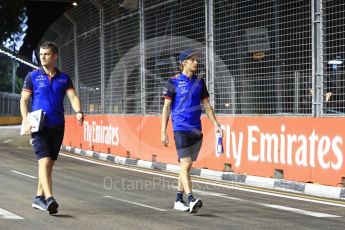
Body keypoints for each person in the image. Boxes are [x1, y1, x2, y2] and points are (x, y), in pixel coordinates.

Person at [20, 41, 84, 214]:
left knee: (49, 164)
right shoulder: (32, 76)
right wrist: (25, 121)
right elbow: (24, 100)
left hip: (58, 126)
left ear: (55, 56)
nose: (42, 57)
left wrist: (78, 111)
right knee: (44, 161)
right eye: (41, 54)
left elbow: (73, 96)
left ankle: (38, 198)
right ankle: (49, 199)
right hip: (39, 126)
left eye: (46, 54)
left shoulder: (64, 78)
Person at [161, 48, 222, 213]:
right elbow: (166, 108)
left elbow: (207, 106)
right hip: (180, 128)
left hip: (196, 130)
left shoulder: (200, 83)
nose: (196, 62)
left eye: (196, 59)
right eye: (192, 60)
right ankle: (191, 199)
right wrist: (163, 132)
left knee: (185, 167)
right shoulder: (172, 82)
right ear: (183, 63)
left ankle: (178, 200)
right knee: (186, 163)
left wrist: (216, 124)